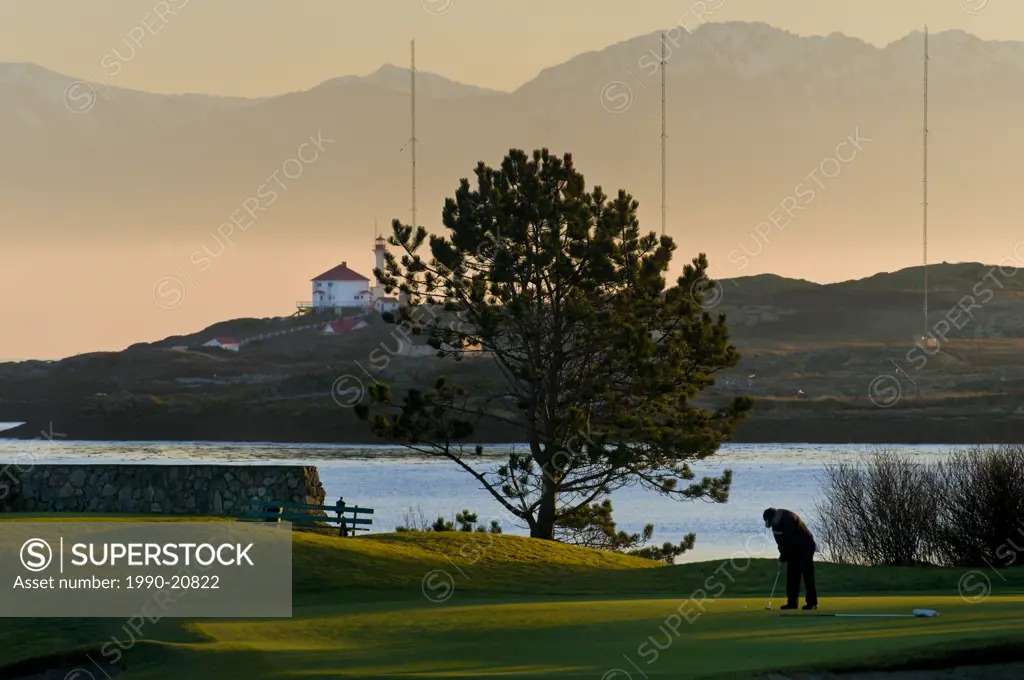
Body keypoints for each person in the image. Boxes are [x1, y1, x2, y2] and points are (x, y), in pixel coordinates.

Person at [763, 507, 817, 610]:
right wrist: (781, 559)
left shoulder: (789, 519)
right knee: (792, 576)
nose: (772, 524)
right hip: (793, 549)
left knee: (807, 575)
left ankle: (812, 603)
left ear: (774, 517)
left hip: (806, 546)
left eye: (771, 521)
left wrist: (783, 558)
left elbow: (789, 542)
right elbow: (781, 544)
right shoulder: (775, 525)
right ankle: (792, 603)